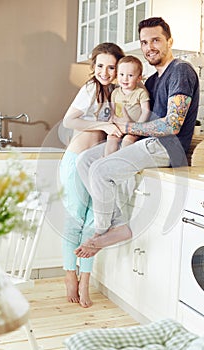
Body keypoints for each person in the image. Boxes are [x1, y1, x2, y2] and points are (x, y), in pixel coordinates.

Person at [74, 17, 200, 259]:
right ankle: (119, 224)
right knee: (85, 161)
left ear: (169, 41)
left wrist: (129, 127)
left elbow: (173, 124)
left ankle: (104, 229)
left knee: (101, 171)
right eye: (144, 42)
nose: (149, 47)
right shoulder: (151, 81)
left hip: (167, 146)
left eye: (156, 40)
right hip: (144, 142)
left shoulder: (181, 70)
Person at [60, 42, 125, 307]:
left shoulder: (122, 93)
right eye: (100, 66)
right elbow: (68, 121)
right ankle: (69, 275)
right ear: (93, 66)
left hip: (97, 168)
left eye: (111, 67)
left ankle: (85, 279)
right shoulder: (90, 89)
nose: (105, 72)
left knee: (93, 224)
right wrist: (105, 125)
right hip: (76, 162)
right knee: (75, 220)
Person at [104, 55, 150, 156]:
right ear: (117, 75)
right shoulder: (115, 92)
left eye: (130, 75)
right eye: (121, 74)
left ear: (139, 78)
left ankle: (123, 159)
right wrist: (113, 120)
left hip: (134, 128)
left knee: (128, 140)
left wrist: (138, 126)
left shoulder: (140, 92)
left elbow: (146, 111)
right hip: (119, 125)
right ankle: (107, 159)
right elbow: (113, 109)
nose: (125, 79)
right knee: (111, 138)